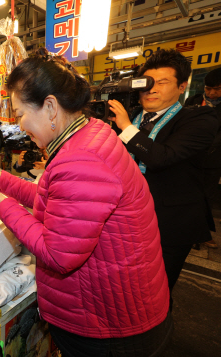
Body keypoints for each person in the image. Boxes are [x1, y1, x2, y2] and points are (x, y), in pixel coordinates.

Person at [0, 50, 172, 357]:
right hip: (117, 307)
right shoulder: (90, 133)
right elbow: (57, 204)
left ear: (49, 107)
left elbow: (59, 254)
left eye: (20, 113)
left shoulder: (80, 158)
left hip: (111, 326)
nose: (20, 125)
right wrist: (1, 178)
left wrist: (2, 206)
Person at [108, 49, 218, 296]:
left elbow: (162, 157)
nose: (152, 89)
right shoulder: (130, 115)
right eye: (147, 83)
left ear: (182, 87)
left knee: (155, 294)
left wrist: (125, 127)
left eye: (162, 82)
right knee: (122, 289)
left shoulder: (200, 119)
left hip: (169, 226)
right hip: (124, 220)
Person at [185, 67, 221, 249]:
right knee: (188, 194)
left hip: (212, 160)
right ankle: (189, 230)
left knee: (206, 196)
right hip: (189, 157)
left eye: (217, 89)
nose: (212, 93)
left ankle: (203, 233)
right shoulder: (193, 101)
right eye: (208, 88)